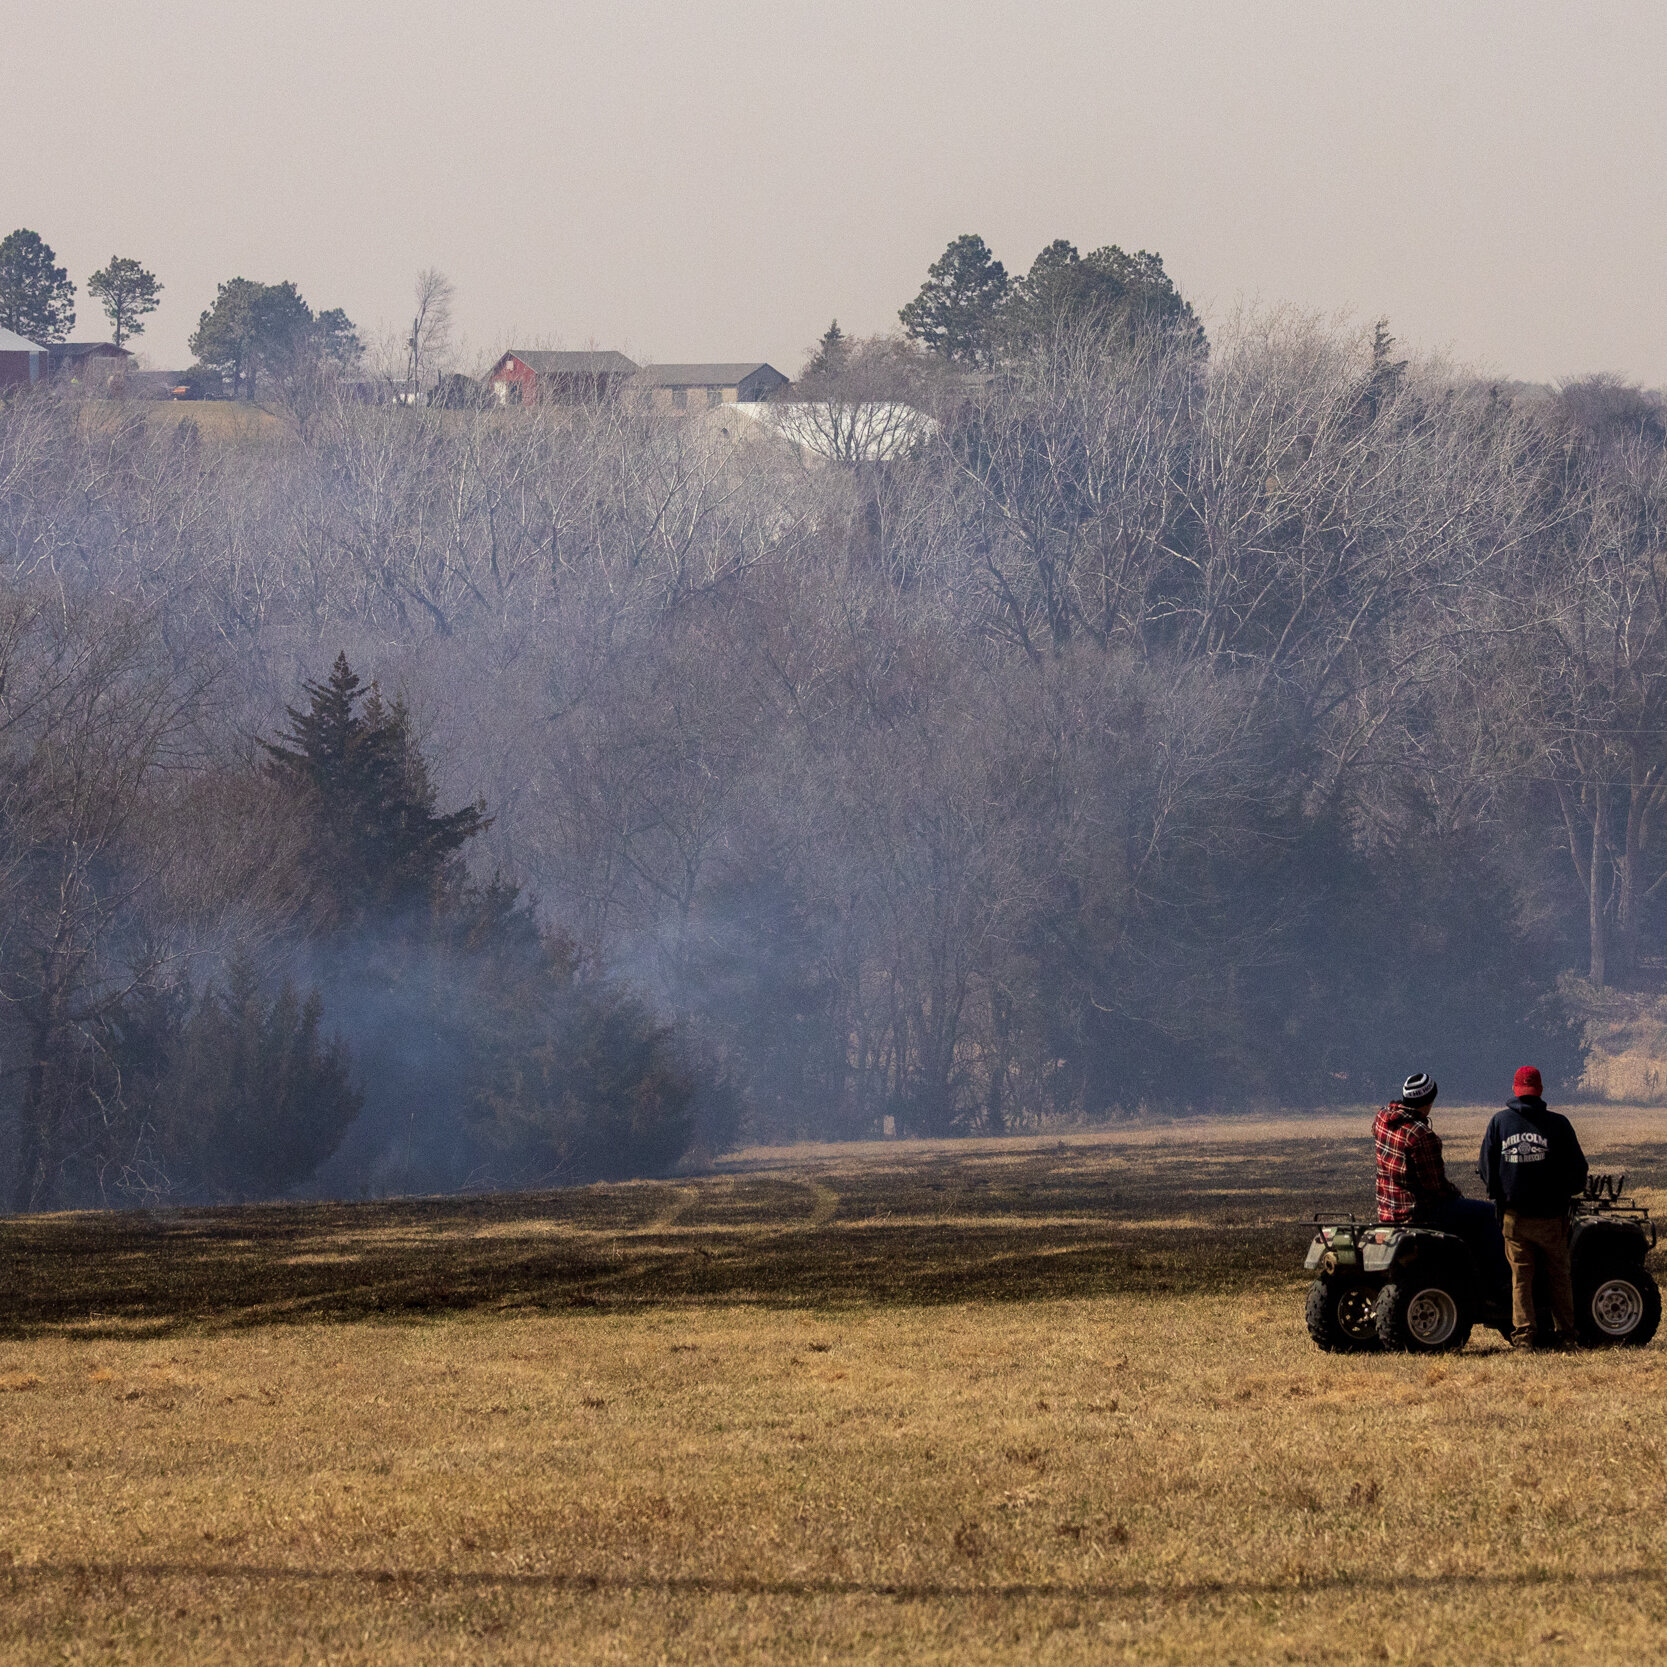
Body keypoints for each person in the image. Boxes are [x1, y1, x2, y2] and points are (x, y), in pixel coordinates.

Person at [1478, 1066, 1589, 1350]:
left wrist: (1497, 1195)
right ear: (1539, 1090)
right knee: (1559, 1277)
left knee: (1520, 1278)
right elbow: (1578, 1170)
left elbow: (1486, 1167)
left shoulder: (1499, 1123)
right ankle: (1565, 1335)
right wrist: (1567, 1191)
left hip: (1514, 1218)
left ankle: (1525, 1337)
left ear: (1515, 1090)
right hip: (1552, 1217)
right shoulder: (1559, 1124)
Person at [1374, 1072, 1508, 1288]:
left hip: (1387, 1210)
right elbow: (1436, 1187)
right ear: (1429, 1101)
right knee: (1489, 1215)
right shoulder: (1421, 1135)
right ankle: (1497, 1281)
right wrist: (1456, 1194)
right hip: (1419, 1213)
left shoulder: (1381, 1119)